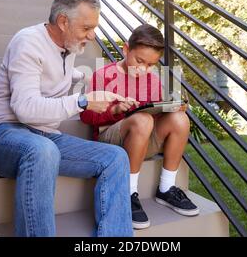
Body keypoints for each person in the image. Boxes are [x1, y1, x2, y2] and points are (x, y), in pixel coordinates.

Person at [0, 0, 133, 237]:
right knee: (42, 150)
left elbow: (54, 72)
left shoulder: (68, 45)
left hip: (44, 135)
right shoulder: (28, 41)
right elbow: (25, 109)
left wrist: (90, 82)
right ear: (63, 21)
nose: (93, 35)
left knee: (116, 157)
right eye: (86, 28)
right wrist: (82, 101)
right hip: (3, 133)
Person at [80, 24, 199, 230]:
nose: (143, 69)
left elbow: (154, 110)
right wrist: (115, 111)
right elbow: (86, 116)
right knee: (141, 119)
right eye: (139, 61)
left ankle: (167, 188)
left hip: (143, 138)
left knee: (179, 119)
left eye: (151, 64)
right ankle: (128, 193)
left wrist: (171, 108)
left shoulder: (152, 80)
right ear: (126, 50)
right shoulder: (103, 75)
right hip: (111, 140)